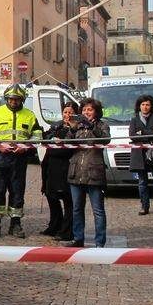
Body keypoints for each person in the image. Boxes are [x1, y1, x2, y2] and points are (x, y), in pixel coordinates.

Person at [0, 84, 42, 239]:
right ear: (6, 99)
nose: (14, 102)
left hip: (19, 158)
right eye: (11, 99)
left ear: (22, 99)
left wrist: (25, 146)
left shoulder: (29, 115)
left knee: (17, 191)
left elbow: (37, 136)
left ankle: (15, 224)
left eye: (17, 99)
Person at [63, 98, 110, 248]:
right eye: (84, 110)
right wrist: (72, 128)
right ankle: (78, 238)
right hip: (76, 172)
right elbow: (67, 142)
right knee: (77, 208)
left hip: (94, 172)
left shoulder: (102, 125)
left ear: (96, 111)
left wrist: (91, 126)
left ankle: (100, 242)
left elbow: (105, 140)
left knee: (98, 210)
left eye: (89, 110)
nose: (86, 112)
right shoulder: (78, 126)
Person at [40, 101, 78, 241]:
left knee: (68, 200)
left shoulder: (77, 127)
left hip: (65, 166)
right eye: (65, 112)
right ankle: (54, 224)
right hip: (51, 165)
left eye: (70, 112)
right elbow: (45, 137)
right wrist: (51, 138)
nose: (67, 115)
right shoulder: (56, 125)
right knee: (51, 196)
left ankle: (66, 230)